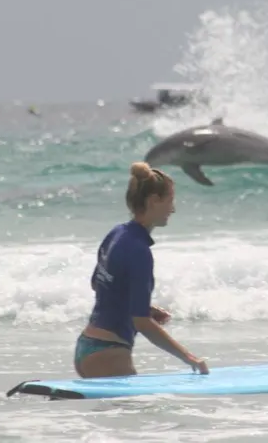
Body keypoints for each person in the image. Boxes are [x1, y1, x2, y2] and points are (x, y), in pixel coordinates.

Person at [73, 161, 209, 378]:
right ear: (154, 200)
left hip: (88, 346)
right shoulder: (139, 250)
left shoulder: (117, 233)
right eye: (170, 200)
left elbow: (98, 283)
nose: (173, 209)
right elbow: (142, 323)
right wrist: (189, 358)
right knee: (141, 402)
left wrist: (144, 307)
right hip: (109, 354)